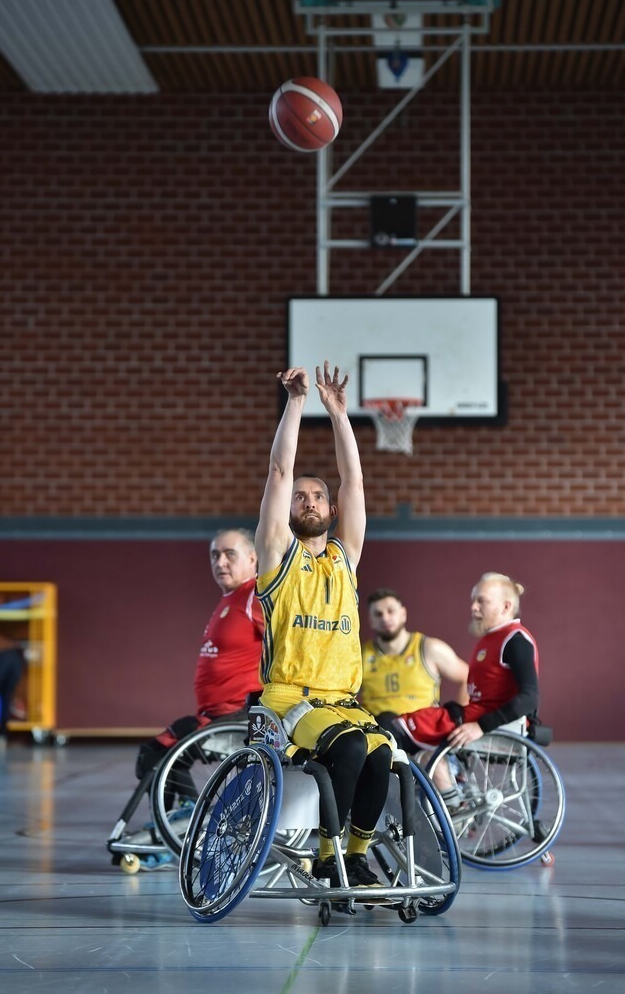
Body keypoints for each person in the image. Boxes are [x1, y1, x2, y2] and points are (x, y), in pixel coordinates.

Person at [255, 361, 393, 888]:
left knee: (382, 754)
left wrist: (338, 414)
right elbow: (278, 472)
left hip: (342, 703)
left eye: (317, 496)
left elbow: (355, 478)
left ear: (331, 508)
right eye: (300, 496)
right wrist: (296, 404)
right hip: (290, 702)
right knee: (353, 747)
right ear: (287, 509)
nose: (308, 500)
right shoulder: (276, 556)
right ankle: (326, 853)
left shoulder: (345, 558)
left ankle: (353, 858)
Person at [385, 573, 540, 804]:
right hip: (476, 714)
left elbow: (529, 698)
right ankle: (447, 796)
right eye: (473, 600)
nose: (473, 607)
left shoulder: (515, 639)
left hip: (491, 722)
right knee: (411, 736)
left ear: (506, 606)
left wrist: (480, 726)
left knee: (397, 729)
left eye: (482, 601)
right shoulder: (490, 638)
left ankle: (451, 806)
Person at [134, 527, 264, 781]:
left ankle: (178, 817)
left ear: (252, 558)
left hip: (236, 714)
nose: (220, 562)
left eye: (229, 554)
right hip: (212, 714)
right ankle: (179, 815)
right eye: (215, 555)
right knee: (154, 754)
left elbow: (284, 643)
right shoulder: (229, 599)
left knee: (161, 755)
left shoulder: (254, 595)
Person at [359, 587, 468, 725]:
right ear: (371, 620)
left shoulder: (428, 648)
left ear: (403, 614)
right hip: (377, 733)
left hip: (421, 731)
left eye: (391, 611)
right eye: (378, 614)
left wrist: (459, 719)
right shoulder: (360, 655)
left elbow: (468, 676)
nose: (385, 618)